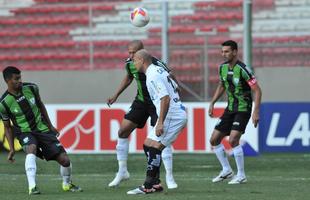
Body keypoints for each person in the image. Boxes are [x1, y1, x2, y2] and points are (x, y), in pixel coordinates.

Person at [107, 40, 178, 189]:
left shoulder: (157, 64)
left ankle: (169, 176)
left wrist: (175, 94)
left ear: (142, 52)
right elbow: (129, 77)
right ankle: (122, 171)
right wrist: (116, 95)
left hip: (157, 103)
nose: (131, 56)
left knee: (160, 138)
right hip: (141, 101)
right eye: (129, 53)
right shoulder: (130, 63)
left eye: (134, 53)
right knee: (122, 131)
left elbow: (171, 77)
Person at [0, 66, 82, 195]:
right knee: (31, 147)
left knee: (65, 160)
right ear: (8, 80)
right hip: (24, 132)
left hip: (42, 129)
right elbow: (7, 127)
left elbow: (41, 105)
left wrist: (50, 126)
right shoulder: (3, 103)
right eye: (16, 79)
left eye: (20, 77)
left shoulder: (32, 88)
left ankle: (67, 184)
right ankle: (32, 187)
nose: (20, 81)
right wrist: (11, 149)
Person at [127, 49, 187, 194]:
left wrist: (160, 122)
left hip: (171, 115)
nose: (133, 63)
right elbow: (175, 85)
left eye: (134, 60)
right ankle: (155, 183)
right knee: (147, 145)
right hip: (173, 112)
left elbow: (165, 98)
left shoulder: (152, 75)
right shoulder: (158, 70)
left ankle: (147, 186)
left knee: (155, 148)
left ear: (142, 60)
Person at [208, 40, 262, 184]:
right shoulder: (222, 68)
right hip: (230, 108)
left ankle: (241, 175)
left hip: (243, 108)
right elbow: (222, 85)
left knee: (233, 140)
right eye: (222, 51)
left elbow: (257, 90)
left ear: (235, 52)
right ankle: (226, 170)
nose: (223, 54)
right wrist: (213, 102)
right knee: (214, 140)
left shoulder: (243, 69)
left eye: (226, 51)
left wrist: (256, 111)